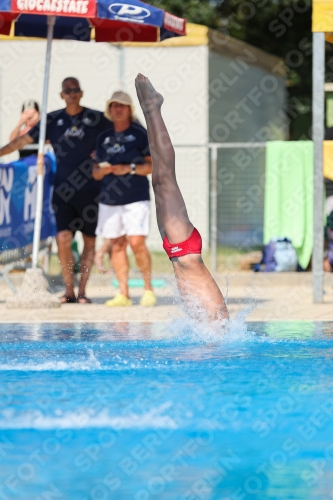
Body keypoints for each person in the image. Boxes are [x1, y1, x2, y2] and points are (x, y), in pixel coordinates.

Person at [0, 77, 112, 303]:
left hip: (91, 189)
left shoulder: (96, 118)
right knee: (62, 238)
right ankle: (68, 290)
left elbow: (120, 131)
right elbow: (22, 142)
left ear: (81, 93)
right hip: (62, 190)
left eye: (76, 90)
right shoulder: (52, 119)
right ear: (62, 95)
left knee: (89, 240)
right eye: (67, 90)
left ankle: (82, 292)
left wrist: (105, 157)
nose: (72, 93)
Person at [135, 74, 229, 322]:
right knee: (166, 178)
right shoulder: (220, 330)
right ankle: (153, 109)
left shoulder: (209, 331)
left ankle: (150, 111)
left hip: (176, 251)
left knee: (158, 181)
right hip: (185, 248)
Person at [93, 91, 156, 307]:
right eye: (114, 105)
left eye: (122, 105)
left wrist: (127, 168)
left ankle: (148, 289)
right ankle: (123, 294)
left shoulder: (140, 134)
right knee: (117, 245)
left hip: (136, 197)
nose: (118, 109)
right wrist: (102, 171)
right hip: (110, 199)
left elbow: (152, 166)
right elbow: (95, 171)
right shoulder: (103, 137)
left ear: (130, 109)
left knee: (137, 242)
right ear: (109, 110)